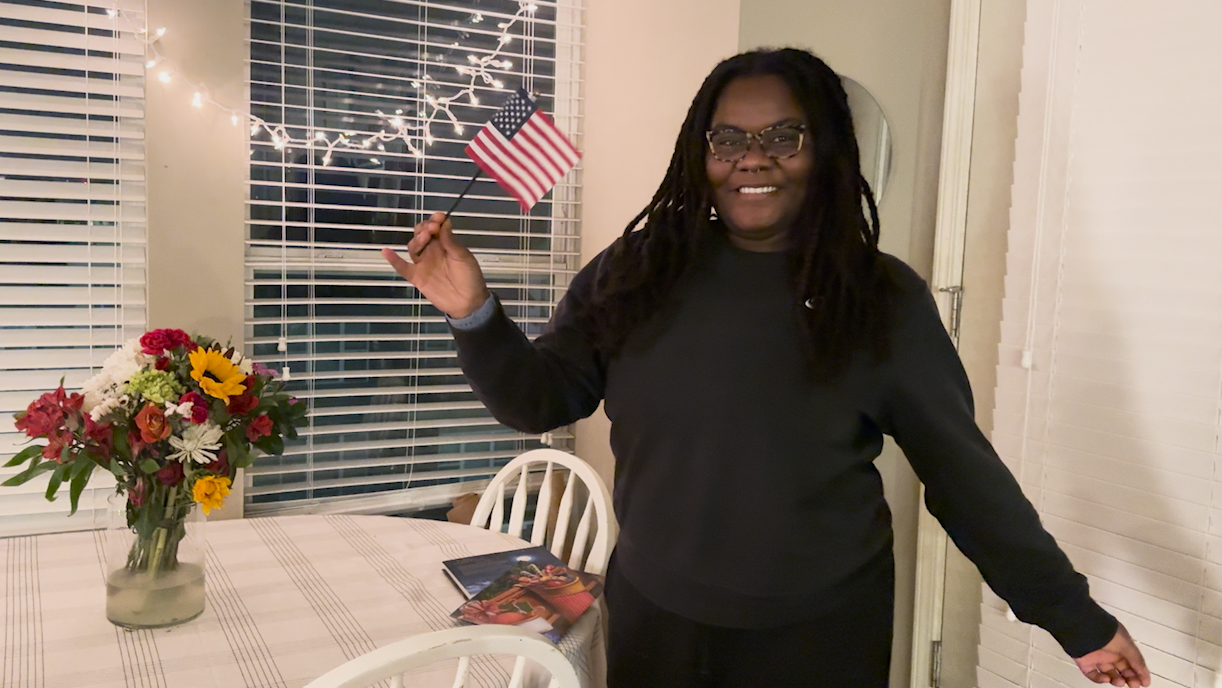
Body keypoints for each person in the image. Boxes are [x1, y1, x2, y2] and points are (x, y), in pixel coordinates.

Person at [383, 48, 1150, 688]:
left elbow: (964, 477)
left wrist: (1074, 619)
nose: (752, 157)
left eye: (785, 135)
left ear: (826, 149)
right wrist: (474, 316)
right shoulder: (639, 270)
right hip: (658, 617)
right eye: (727, 140)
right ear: (701, 153)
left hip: (820, 633)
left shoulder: (881, 298)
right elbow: (540, 398)